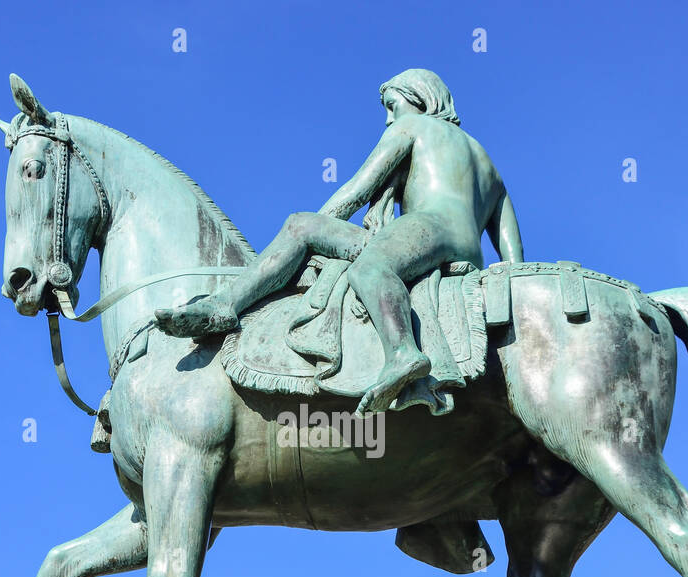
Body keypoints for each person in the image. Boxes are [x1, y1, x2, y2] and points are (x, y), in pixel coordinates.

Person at [155, 68, 523, 415]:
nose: (388, 119)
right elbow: (509, 242)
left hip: (427, 227)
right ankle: (225, 304)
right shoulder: (486, 160)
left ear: (420, 100)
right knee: (313, 230)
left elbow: (357, 189)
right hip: (466, 247)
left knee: (345, 253)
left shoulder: (414, 126)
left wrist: (319, 231)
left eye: (392, 107)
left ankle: (403, 353)